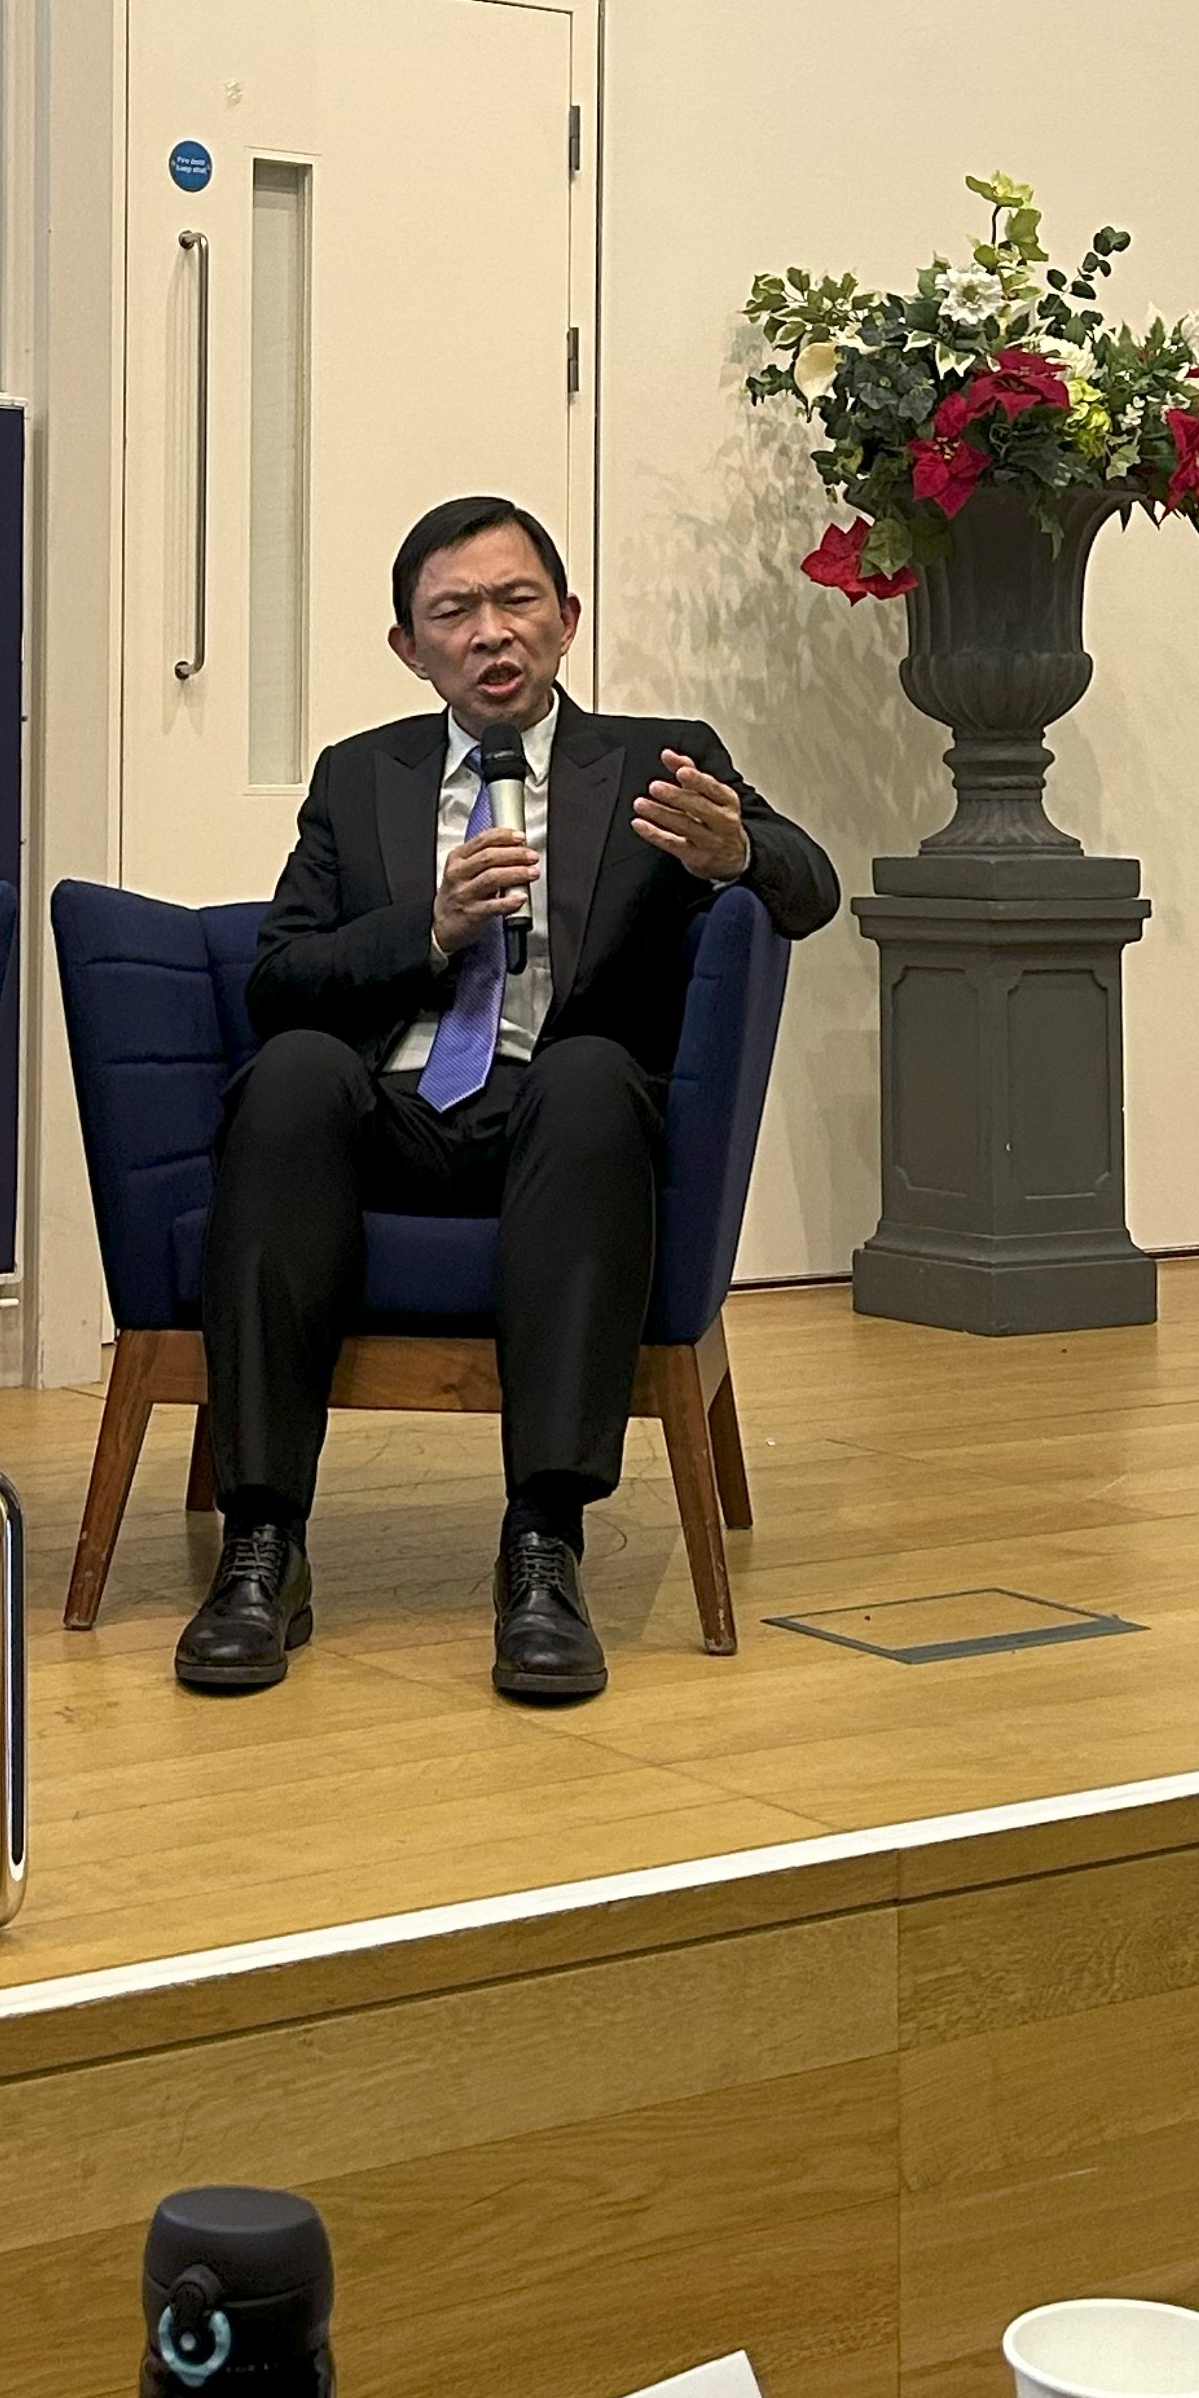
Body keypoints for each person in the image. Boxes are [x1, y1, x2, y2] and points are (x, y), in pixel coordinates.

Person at [179, 494, 841, 1707]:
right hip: (389, 1118)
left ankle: (544, 1545)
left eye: (516, 600)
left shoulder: (656, 760)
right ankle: (262, 1543)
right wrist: (428, 928)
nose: (491, 632)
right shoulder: (359, 776)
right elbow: (279, 980)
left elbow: (813, 890)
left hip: (563, 1126)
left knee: (590, 1077)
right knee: (290, 1074)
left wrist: (738, 853)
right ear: (409, 646)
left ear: (566, 619)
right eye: (455, 612)